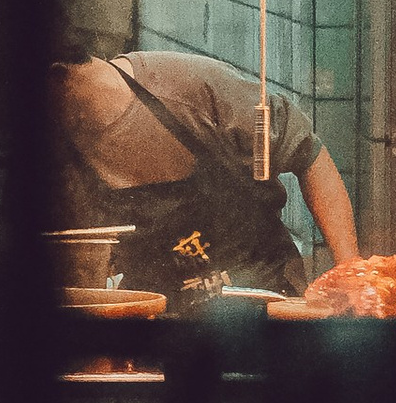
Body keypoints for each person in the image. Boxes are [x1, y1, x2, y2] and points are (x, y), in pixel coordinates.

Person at [53, 25, 360, 301]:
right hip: (158, 324)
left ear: (57, 76)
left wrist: (350, 271)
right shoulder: (60, 148)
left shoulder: (191, 89)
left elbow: (309, 156)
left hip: (263, 302)